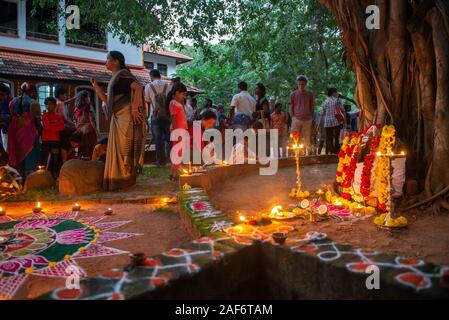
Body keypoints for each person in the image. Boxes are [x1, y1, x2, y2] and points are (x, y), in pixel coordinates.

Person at [91, 50, 146, 191]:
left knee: (124, 148)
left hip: (126, 115)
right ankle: (118, 178)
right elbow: (107, 100)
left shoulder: (123, 75)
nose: (106, 62)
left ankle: (126, 178)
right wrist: (96, 87)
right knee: (117, 148)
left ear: (116, 61)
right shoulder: (114, 78)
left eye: (108, 59)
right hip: (117, 116)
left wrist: (134, 109)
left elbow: (138, 88)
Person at [8, 82, 42, 179]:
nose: (36, 95)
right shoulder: (34, 103)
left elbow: (12, 115)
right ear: (32, 92)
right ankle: (30, 179)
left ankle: (18, 178)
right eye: (36, 92)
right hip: (29, 131)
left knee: (18, 154)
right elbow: (37, 120)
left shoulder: (13, 102)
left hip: (15, 130)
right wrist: (40, 130)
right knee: (30, 153)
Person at [144, 69, 172, 167]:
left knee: (158, 140)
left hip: (155, 116)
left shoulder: (149, 86)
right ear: (160, 75)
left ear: (151, 76)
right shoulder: (168, 86)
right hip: (167, 116)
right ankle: (171, 160)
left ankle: (160, 162)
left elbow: (146, 101)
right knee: (169, 139)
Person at [40, 97, 64, 177]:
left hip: (55, 140)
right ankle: (43, 176)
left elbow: (61, 127)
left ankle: (54, 177)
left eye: (50, 104)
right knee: (45, 159)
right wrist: (55, 124)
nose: (48, 106)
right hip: (46, 140)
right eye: (46, 104)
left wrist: (51, 124)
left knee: (55, 159)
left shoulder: (59, 116)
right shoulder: (45, 115)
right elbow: (47, 126)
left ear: (54, 105)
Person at [168, 82, 188, 180]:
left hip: (181, 130)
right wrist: (177, 133)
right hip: (178, 131)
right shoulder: (173, 103)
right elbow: (173, 118)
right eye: (183, 94)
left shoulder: (178, 104)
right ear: (177, 93)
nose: (184, 97)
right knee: (177, 152)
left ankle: (173, 172)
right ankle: (175, 173)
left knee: (178, 152)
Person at [288, 75, 315, 146]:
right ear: (297, 83)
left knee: (306, 141)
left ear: (306, 84)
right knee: (294, 139)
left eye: (303, 84)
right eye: (299, 84)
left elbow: (312, 106)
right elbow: (290, 107)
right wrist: (293, 117)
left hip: (307, 120)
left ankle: (304, 155)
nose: (301, 86)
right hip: (296, 119)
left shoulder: (310, 94)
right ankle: (294, 155)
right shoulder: (293, 94)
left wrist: (312, 117)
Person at [74, 90, 99, 159]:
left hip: (80, 132)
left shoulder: (76, 109)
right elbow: (91, 120)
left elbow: (75, 121)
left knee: (82, 151)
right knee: (91, 151)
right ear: (85, 98)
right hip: (89, 131)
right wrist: (96, 131)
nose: (89, 99)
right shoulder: (88, 107)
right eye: (88, 97)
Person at [320, 88, 345, 154]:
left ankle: (331, 151)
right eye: (336, 92)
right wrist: (344, 121)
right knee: (337, 137)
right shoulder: (337, 100)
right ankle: (337, 152)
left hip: (327, 123)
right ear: (333, 93)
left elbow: (322, 113)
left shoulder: (325, 101)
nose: (337, 94)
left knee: (329, 138)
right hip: (337, 121)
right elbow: (342, 110)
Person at [0, 83, 12, 148]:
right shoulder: (1, 102)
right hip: (3, 131)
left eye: (2, 94)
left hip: (12, 131)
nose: (0, 97)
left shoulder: (13, 102)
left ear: (7, 94)